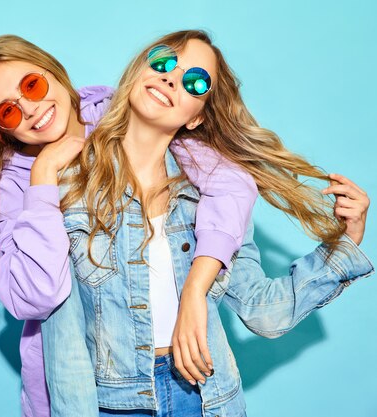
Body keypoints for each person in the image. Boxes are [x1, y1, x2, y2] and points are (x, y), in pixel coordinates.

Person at [41, 30, 372, 417]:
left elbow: (261, 309)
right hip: (115, 406)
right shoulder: (68, 184)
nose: (171, 78)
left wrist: (345, 243)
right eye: (163, 62)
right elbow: (63, 343)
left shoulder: (216, 201)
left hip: (206, 400)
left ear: (196, 117)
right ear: (137, 71)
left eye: (194, 82)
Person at [0, 34, 261, 417]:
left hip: (188, 380)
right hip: (85, 396)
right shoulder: (14, 189)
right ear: (3, 131)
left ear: (56, 73)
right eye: (9, 111)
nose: (30, 109)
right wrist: (44, 176)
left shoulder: (126, 110)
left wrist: (197, 288)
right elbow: (36, 295)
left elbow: (231, 181)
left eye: (32, 85)